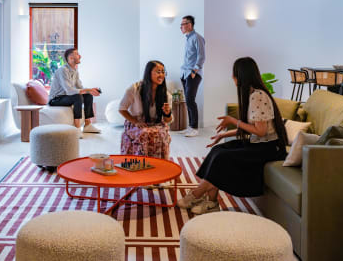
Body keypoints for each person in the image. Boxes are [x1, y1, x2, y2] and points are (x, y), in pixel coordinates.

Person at [177, 57, 288, 215]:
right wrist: (224, 135)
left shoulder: (258, 96)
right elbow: (255, 129)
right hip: (259, 143)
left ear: (241, 75)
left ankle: (196, 195)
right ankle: (211, 203)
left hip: (269, 149)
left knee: (222, 158)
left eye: (234, 74)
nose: (232, 77)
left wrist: (233, 121)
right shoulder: (252, 94)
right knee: (218, 151)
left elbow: (261, 132)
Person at [119, 60, 173, 160]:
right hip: (136, 122)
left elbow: (167, 120)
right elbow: (122, 109)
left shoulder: (166, 94)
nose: (161, 74)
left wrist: (167, 113)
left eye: (163, 71)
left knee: (159, 134)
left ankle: (158, 165)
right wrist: (135, 122)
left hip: (156, 123)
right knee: (144, 133)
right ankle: (140, 164)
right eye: (158, 71)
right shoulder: (135, 89)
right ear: (148, 73)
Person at [48, 48, 101, 138]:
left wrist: (91, 90)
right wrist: (88, 90)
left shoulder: (75, 71)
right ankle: (77, 129)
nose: (80, 56)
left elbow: (80, 87)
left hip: (66, 97)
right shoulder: (63, 70)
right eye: (77, 54)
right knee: (77, 97)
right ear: (71, 57)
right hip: (56, 99)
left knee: (88, 95)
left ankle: (87, 125)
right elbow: (69, 90)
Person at [180, 15, 205, 137]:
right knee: (188, 101)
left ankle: (195, 128)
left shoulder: (197, 38)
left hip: (193, 74)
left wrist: (195, 71)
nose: (181, 27)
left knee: (190, 100)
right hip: (185, 74)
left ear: (189, 24)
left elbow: (201, 56)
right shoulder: (188, 39)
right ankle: (190, 127)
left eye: (183, 24)